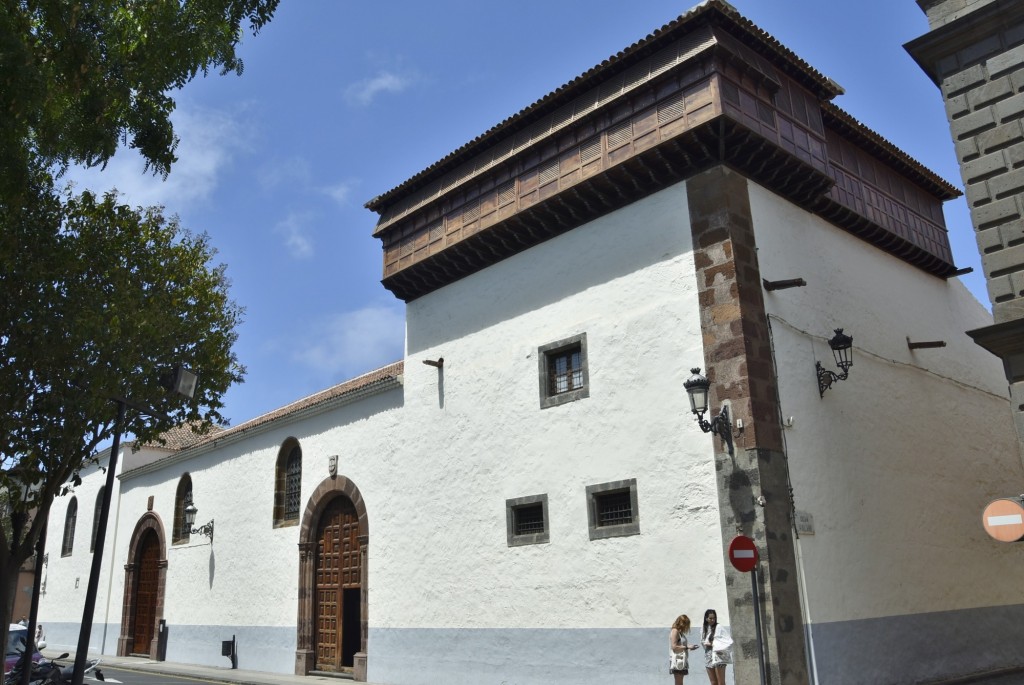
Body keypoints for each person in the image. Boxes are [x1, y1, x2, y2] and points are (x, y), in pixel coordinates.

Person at [669, 614, 699, 684]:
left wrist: (690, 646)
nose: (686, 627)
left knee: (680, 682)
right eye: (686, 624)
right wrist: (687, 647)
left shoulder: (680, 633)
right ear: (682, 623)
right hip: (677, 660)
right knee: (679, 682)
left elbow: (681, 644)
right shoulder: (675, 631)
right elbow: (674, 647)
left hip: (682, 659)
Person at [701, 609, 726, 685]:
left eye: (714, 618)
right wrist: (708, 644)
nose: (713, 620)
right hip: (708, 656)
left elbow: (724, 641)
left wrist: (712, 644)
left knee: (720, 682)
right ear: (706, 618)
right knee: (713, 682)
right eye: (710, 618)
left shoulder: (719, 627)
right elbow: (702, 641)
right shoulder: (703, 629)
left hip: (718, 656)